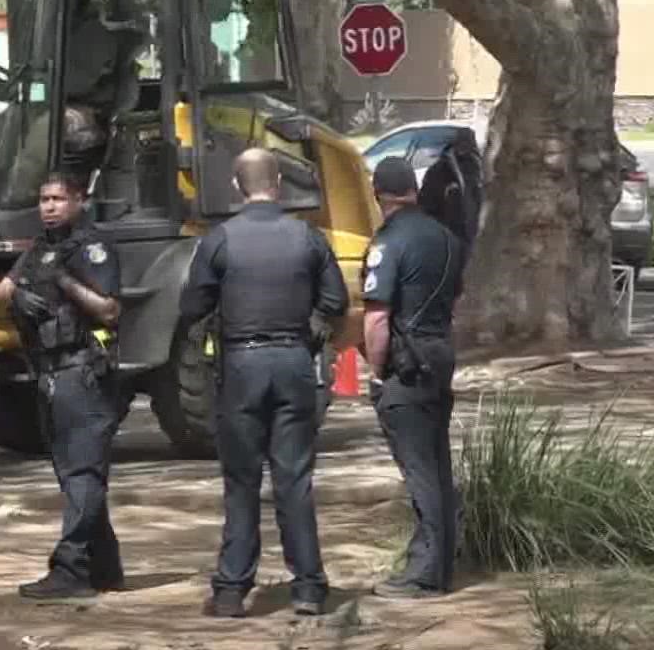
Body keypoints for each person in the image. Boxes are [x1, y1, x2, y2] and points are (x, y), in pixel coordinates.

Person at [179, 148, 346, 618]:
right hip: (294, 363)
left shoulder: (219, 240)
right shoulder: (307, 237)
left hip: (242, 367)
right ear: (279, 183)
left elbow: (192, 306)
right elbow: (334, 299)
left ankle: (232, 590)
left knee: (241, 481)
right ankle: (310, 587)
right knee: (294, 479)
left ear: (237, 186)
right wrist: (307, 332)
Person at [0, 171, 126, 601]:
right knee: (74, 476)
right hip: (50, 373)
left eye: (58, 199)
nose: (48, 206)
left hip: (83, 371)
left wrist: (65, 285)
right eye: (44, 199)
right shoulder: (40, 249)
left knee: (83, 473)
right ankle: (105, 567)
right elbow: (3, 289)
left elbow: (108, 310)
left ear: (79, 201)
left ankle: (70, 569)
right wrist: (17, 295)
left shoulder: (92, 247)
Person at [362, 158, 465, 600]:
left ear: (377, 193)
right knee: (437, 465)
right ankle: (441, 561)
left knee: (419, 469)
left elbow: (378, 318)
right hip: (440, 353)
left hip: (407, 363)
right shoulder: (447, 238)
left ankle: (425, 573)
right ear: (415, 190)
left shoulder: (389, 241)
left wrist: (375, 370)